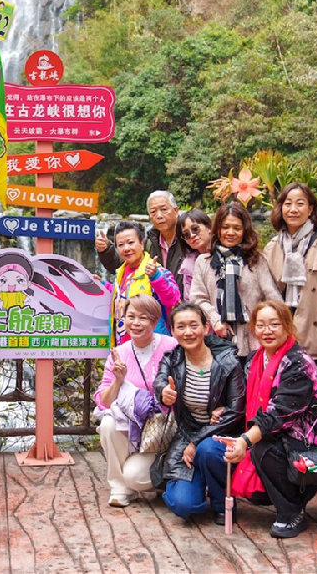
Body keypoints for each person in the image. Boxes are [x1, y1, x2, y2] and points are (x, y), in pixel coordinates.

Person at [223, 300, 317, 539]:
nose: (267, 331)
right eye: (261, 325)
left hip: (303, 438)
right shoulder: (255, 358)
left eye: (274, 324)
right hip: (273, 430)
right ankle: (274, 492)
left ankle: (292, 511)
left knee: (263, 448)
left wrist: (245, 441)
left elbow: (279, 413)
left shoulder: (298, 363)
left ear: (287, 326)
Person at [152, 303, 246, 525]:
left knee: (206, 450)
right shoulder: (172, 359)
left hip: (220, 437)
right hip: (187, 434)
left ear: (205, 327)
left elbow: (236, 411)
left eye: (194, 325)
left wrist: (196, 441)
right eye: (181, 327)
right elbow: (160, 380)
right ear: (173, 331)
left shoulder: (228, 362)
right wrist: (163, 392)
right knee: (183, 505)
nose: (188, 332)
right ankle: (198, 480)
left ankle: (221, 501)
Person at [93, 296, 179, 507]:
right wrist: (117, 380)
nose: (136, 323)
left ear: (154, 320)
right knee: (107, 423)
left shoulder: (171, 346)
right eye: (131, 317)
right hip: (133, 426)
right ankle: (119, 487)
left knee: (135, 477)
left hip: (163, 429)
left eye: (144, 318)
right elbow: (103, 401)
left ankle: (160, 479)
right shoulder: (119, 353)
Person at [262, 183, 317, 360]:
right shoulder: (272, 248)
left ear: (310, 209)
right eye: (288, 203)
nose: (293, 209)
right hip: (282, 337)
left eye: (300, 203)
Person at [190, 202, 282, 357]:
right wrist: (216, 320)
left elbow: (273, 298)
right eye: (225, 227)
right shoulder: (204, 261)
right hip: (217, 339)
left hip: (255, 340)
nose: (230, 232)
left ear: (244, 231)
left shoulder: (256, 260)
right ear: (217, 229)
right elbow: (197, 298)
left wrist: (263, 323)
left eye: (237, 228)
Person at [96, 190, 190, 289]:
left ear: (176, 210)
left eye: (164, 209)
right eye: (153, 212)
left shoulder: (190, 238)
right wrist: (106, 250)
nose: (159, 216)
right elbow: (125, 265)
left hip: (188, 303)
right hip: (154, 303)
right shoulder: (150, 241)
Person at [106, 221, 182, 342]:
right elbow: (124, 295)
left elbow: (174, 300)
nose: (126, 248)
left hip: (152, 346)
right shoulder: (120, 273)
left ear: (142, 243)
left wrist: (156, 277)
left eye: (131, 242)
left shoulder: (157, 270)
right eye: (120, 245)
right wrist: (104, 286)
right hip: (124, 348)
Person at [175, 209, 213, 298]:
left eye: (195, 229)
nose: (192, 235)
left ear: (209, 227)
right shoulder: (188, 267)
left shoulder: (227, 254)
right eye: (186, 235)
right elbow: (190, 299)